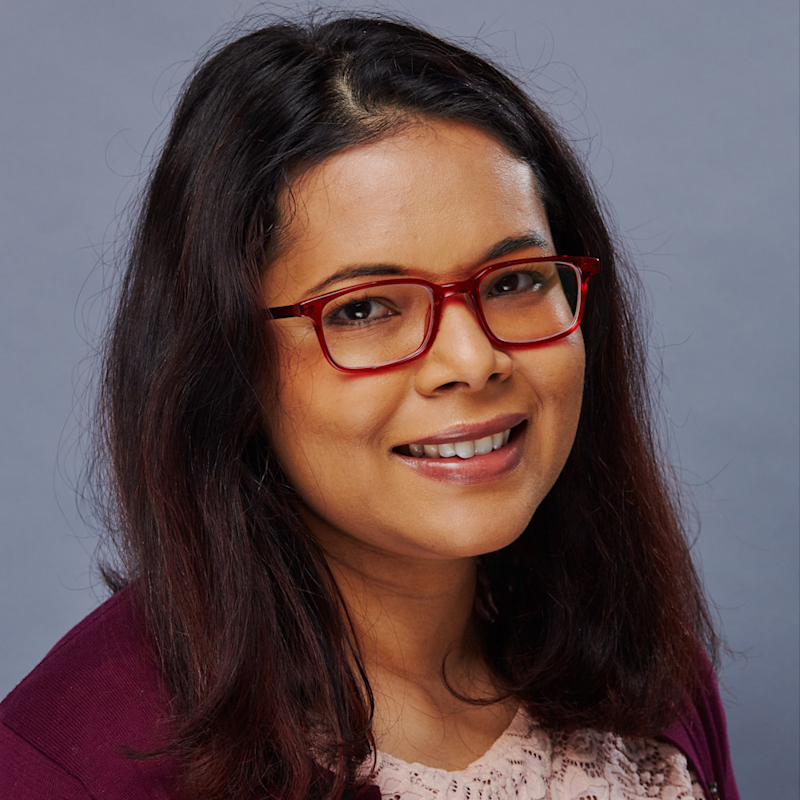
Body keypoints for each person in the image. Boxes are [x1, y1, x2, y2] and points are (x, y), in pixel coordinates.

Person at [0, 14, 739, 800]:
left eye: (516, 280)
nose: (472, 360)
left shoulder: (651, 676)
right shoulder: (65, 764)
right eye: (364, 309)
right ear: (226, 366)